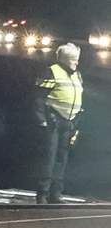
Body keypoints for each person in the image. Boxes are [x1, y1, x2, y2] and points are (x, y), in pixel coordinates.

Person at [34, 43, 83, 204]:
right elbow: (38, 97)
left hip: (69, 122)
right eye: (74, 60)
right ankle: (42, 194)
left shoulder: (77, 75)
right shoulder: (51, 71)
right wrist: (41, 120)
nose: (76, 63)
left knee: (62, 158)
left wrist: (76, 124)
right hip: (53, 121)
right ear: (64, 59)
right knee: (49, 157)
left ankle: (56, 194)